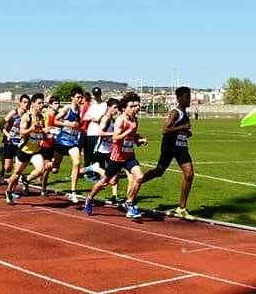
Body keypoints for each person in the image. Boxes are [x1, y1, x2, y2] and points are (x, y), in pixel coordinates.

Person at [84, 92, 146, 219]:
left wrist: (138, 140)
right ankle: (89, 199)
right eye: (132, 106)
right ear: (124, 108)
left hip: (129, 156)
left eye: (136, 106)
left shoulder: (134, 119)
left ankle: (129, 203)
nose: (136, 108)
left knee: (139, 177)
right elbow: (115, 138)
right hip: (117, 157)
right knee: (105, 182)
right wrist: (129, 130)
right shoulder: (120, 120)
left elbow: (131, 137)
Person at [139, 87, 196, 220]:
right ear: (180, 98)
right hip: (169, 147)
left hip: (181, 147)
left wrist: (186, 133)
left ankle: (181, 208)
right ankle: (138, 181)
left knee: (189, 173)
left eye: (189, 96)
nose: (189, 99)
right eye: (187, 97)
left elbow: (179, 130)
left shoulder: (184, 113)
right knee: (159, 172)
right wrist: (182, 128)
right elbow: (165, 130)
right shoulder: (175, 113)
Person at [4, 93, 49, 204]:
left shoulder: (41, 117)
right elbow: (21, 133)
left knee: (41, 170)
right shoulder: (27, 117)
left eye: (42, 103)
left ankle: (26, 179)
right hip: (25, 149)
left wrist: (45, 133)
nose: (41, 105)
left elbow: (42, 131)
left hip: (36, 150)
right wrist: (31, 129)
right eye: (39, 103)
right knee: (16, 174)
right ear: (33, 104)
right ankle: (9, 191)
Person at [81, 98, 123, 206]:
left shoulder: (113, 119)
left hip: (110, 149)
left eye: (117, 108)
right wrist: (113, 135)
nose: (116, 110)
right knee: (107, 178)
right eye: (114, 108)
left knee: (115, 174)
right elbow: (100, 132)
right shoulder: (105, 118)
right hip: (101, 149)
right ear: (109, 107)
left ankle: (114, 196)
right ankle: (93, 168)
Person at [53, 86, 85, 203]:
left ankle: (73, 192)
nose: (80, 99)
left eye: (81, 97)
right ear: (72, 98)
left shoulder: (80, 110)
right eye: (78, 97)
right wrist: (70, 124)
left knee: (77, 162)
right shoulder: (67, 109)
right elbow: (55, 121)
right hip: (62, 141)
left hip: (72, 142)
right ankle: (41, 169)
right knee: (54, 168)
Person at [0, 94, 30, 182]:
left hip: (21, 143)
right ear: (20, 103)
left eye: (28, 103)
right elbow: (1, 124)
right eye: (24, 102)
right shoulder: (14, 113)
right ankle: (2, 154)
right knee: (8, 169)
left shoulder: (29, 115)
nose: (26, 105)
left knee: (18, 167)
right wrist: (7, 134)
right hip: (10, 141)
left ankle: (14, 183)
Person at [82, 86, 107, 172]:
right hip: (90, 132)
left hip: (98, 132)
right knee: (88, 154)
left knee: (98, 153)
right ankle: (87, 171)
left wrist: (92, 117)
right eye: (95, 95)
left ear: (100, 94)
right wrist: (94, 117)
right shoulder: (92, 106)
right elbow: (85, 117)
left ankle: (99, 171)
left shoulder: (104, 105)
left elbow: (99, 118)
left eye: (98, 94)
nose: (96, 96)